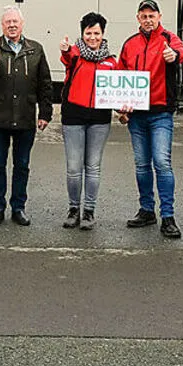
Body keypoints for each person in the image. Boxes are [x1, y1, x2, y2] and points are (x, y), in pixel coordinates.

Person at [117, 0, 183, 239]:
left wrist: (174, 55)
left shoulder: (168, 39)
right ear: (138, 18)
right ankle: (147, 210)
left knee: (162, 163)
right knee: (141, 165)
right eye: (144, 15)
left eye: (152, 15)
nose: (148, 19)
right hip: (137, 116)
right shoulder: (130, 44)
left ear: (159, 17)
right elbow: (120, 76)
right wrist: (121, 108)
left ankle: (168, 216)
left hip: (160, 113)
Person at [0, 6, 53, 226]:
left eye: (15, 22)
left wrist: (45, 112)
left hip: (26, 117)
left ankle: (18, 207)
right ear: (2, 25)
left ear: (22, 24)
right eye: (7, 22)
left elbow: (45, 84)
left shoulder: (36, 49)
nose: (11, 25)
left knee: (22, 165)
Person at [58, 12, 117, 230]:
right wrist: (64, 49)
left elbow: (118, 90)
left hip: (100, 120)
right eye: (88, 33)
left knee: (93, 167)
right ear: (82, 34)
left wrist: (124, 108)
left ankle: (89, 212)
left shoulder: (111, 62)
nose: (93, 37)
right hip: (73, 117)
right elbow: (66, 57)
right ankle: (73, 209)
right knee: (74, 167)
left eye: (97, 33)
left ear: (103, 34)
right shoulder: (75, 55)